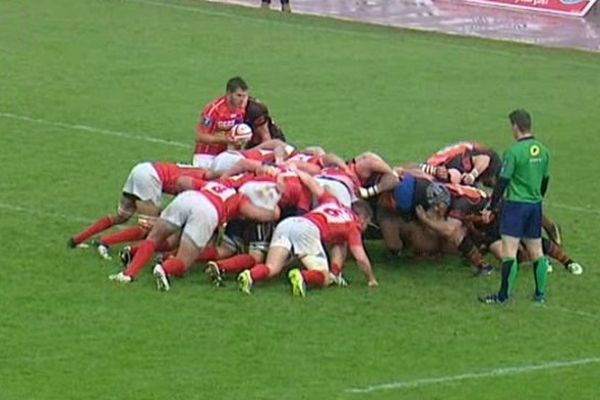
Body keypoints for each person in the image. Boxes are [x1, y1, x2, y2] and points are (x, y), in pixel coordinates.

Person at [237, 169, 378, 296]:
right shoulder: (353, 224)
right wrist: (371, 279)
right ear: (362, 218)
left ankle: (250, 275)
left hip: (289, 223)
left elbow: (311, 182)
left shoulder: (332, 201)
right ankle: (302, 276)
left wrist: (296, 170)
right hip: (308, 230)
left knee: (272, 267)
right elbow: (360, 258)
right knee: (324, 276)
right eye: (366, 224)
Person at [480, 109, 551, 304]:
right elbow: (545, 181)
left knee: (509, 252)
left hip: (515, 207)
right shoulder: (544, 151)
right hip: (534, 206)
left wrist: (491, 207)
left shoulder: (513, 153)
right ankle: (540, 295)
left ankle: (503, 297)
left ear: (515, 127)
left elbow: (502, 182)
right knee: (537, 251)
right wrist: (537, 197)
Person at [67, 162, 207, 258]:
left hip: (142, 169)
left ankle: (77, 239)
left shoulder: (201, 171)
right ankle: (104, 242)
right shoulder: (205, 183)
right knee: (148, 227)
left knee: (122, 216)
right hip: (150, 178)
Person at [193, 77, 249, 169]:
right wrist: (225, 140)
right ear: (228, 94)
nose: (242, 100)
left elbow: (235, 134)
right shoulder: (214, 110)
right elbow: (200, 136)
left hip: (224, 155)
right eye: (238, 95)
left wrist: (240, 140)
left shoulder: (240, 111)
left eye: (244, 96)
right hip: (205, 156)